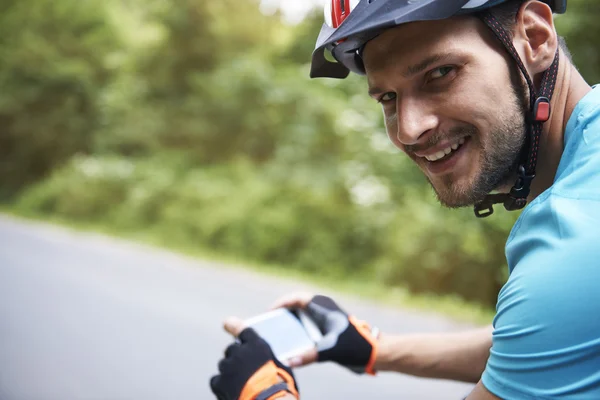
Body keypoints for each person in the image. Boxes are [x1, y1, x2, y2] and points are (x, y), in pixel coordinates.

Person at [209, 0, 600, 398]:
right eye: (388, 98)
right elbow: (539, 345)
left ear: (535, 37)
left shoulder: (574, 240)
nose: (409, 130)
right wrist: (377, 348)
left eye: (440, 73)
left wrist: (264, 395)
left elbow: (550, 307)